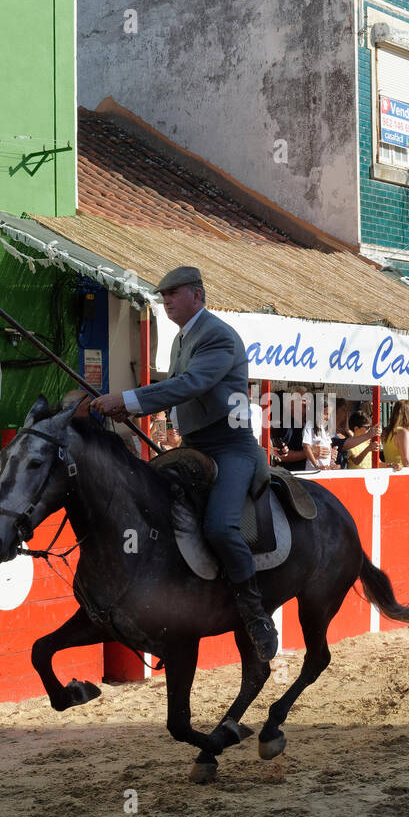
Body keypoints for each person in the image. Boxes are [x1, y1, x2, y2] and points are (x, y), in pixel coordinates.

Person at [90, 267, 277, 662]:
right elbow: (179, 391)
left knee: (221, 526)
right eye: (162, 295)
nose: (166, 300)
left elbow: (190, 385)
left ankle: (256, 615)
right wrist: (133, 410)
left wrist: (127, 400)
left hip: (232, 448)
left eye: (173, 293)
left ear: (197, 294)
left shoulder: (216, 335)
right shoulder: (183, 338)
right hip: (194, 445)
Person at [271, 386, 310, 472]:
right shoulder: (286, 425)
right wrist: (310, 453)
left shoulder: (309, 424)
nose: (307, 402)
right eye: (303, 399)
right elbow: (281, 456)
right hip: (292, 478)